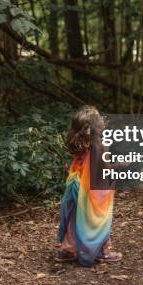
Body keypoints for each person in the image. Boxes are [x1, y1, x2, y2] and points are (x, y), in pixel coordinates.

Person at [55, 106, 122, 266]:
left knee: (74, 216)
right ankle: (102, 251)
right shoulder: (99, 145)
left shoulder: (79, 145)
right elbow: (107, 168)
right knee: (100, 218)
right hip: (93, 189)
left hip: (77, 186)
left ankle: (68, 249)